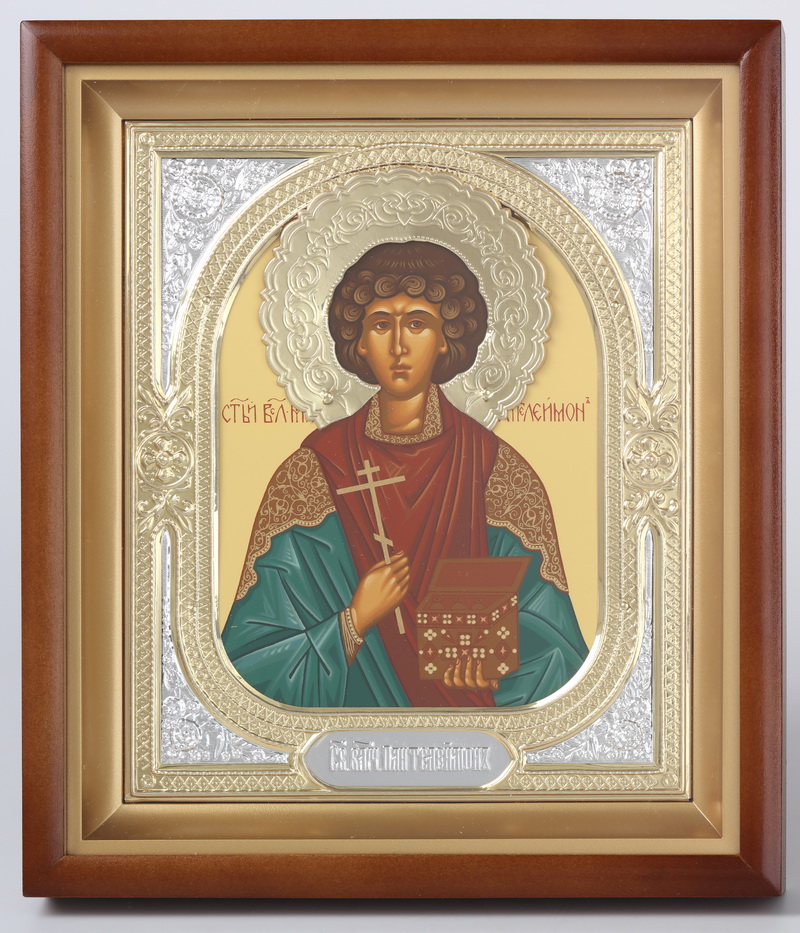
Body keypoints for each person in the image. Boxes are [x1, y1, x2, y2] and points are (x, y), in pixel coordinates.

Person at [222, 241, 588, 708]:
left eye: (417, 323)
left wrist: (496, 664)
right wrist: (353, 621)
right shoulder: (311, 475)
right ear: (359, 340)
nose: (398, 345)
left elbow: (558, 654)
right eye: (380, 324)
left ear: (445, 337)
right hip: (349, 736)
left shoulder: (497, 473)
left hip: (469, 736)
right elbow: (248, 665)